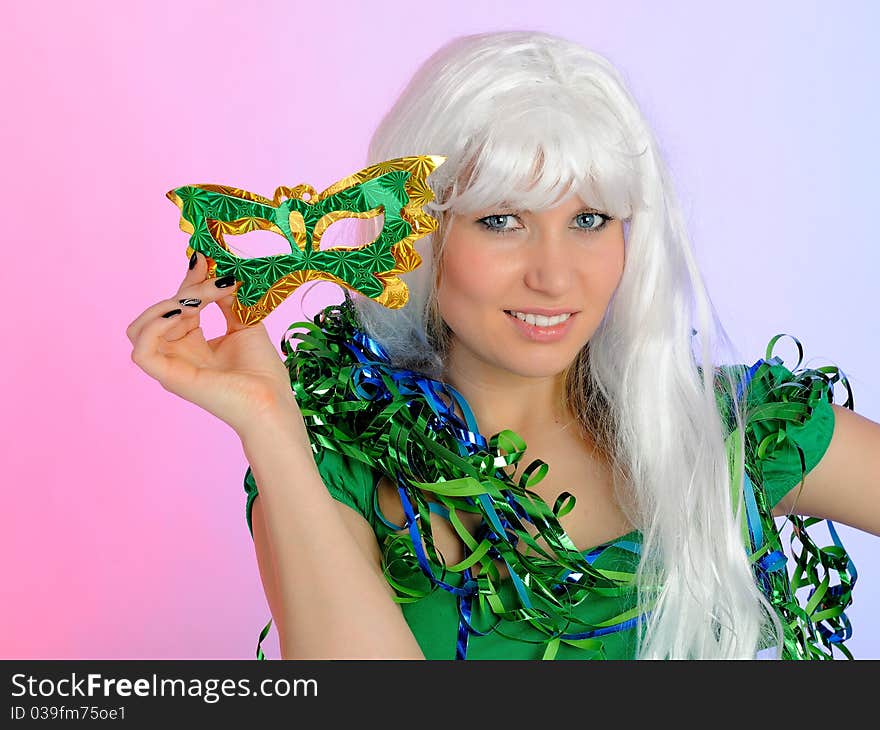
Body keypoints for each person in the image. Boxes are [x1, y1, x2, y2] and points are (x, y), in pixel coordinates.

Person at [127, 31, 880, 660]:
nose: (555, 276)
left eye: (589, 221)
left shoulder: (741, 428)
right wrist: (268, 421)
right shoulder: (336, 474)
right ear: (419, 238)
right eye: (502, 220)